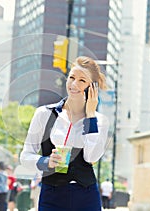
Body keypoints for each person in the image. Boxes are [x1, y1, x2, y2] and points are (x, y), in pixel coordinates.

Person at [20, 56, 110, 211]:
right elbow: (25, 156)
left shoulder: (100, 121)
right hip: (52, 195)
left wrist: (90, 116)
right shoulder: (44, 113)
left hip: (86, 196)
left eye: (82, 81)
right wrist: (45, 161)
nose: (74, 84)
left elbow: (91, 157)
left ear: (92, 88)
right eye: (72, 77)